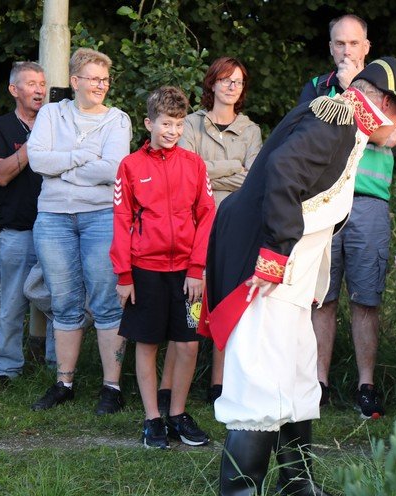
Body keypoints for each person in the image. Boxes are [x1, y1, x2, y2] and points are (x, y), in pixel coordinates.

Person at [201, 57, 396, 496]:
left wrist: (310, 277)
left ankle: (295, 480)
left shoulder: (347, 126)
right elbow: (284, 173)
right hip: (266, 265)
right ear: (382, 103)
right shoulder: (334, 120)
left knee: (298, 375)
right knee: (260, 376)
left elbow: (317, 211)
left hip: (295, 276)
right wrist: (275, 255)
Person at [303, 14, 396, 418]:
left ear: (367, 47)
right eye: (340, 43)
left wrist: (352, 91)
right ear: (331, 48)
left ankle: (366, 386)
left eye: (354, 43)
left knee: (365, 299)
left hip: (368, 203)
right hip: (324, 201)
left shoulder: (388, 85)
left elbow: (387, 135)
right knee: (321, 298)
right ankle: (318, 384)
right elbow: (309, 137)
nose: (347, 50)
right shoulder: (316, 86)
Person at [27, 48, 132, 414]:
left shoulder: (117, 119)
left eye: (105, 80)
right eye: (93, 79)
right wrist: (81, 158)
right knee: (64, 302)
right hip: (53, 218)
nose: (101, 85)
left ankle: (111, 388)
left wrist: (63, 169)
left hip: (101, 217)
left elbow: (115, 169)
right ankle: (64, 384)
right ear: (75, 81)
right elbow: (37, 159)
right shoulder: (51, 114)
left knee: (106, 301)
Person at [110, 86, 215, 449]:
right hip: (145, 270)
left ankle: (177, 414)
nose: (173, 131)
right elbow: (121, 220)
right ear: (149, 123)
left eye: (179, 124)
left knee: (188, 344)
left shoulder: (194, 164)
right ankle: (152, 418)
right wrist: (124, 275)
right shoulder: (130, 166)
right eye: (166, 123)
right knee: (148, 343)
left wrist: (197, 269)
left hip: (187, 272)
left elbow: (206, 216)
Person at [155, 57, 262, 412]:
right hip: (194, 224)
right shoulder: (190, 124)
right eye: (226, 79)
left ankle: (220, 385)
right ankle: (168, 387)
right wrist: (232, 167)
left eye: (238, 82)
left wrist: (208, 172)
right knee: (190, 302)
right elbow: (185, 171)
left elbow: (254, 179)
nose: (232, 86)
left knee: (225, 302)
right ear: (212, 83)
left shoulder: (250, 130)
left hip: (236, 227)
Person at [0, 61, 55, 384]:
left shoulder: (57, 125)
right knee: (12, 303)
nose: (40, 90)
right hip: (17, 230)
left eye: (42, 84)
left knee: (59, 301)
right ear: (14, 90)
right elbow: (0, 174)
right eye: (31, 84)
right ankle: (6, 369)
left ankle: (58, 370)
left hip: (56, 230)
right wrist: (35, 141)